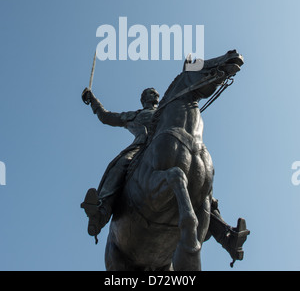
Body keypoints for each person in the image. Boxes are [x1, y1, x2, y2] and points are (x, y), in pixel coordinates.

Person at [81, 87, 249, 264]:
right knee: (119, 165)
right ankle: (100, 213)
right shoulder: (133, 115)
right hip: (141, 150)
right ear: (143, 99)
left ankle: (226, 236)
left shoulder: (167, 109)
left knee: (199, 181)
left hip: (168, 150)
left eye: (155, 93)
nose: (154, 94)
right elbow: (106, 117)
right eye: (149, 93)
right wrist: (93, 101)